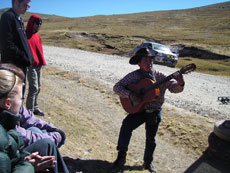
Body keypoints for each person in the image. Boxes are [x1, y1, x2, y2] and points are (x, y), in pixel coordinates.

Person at [112, 48, 185, 172]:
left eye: (150, 60)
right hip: (139, 110)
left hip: (154, 111)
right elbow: (117, 87)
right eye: (145, 60)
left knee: (151, 139)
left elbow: (174, 89)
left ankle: (148, 163)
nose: (149, 63)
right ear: (139, 63)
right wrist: (130, 94)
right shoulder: (134, 75)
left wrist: (180, 82)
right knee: (126, 126)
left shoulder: (160, 76)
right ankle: (121, 157)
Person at [0, 63, 69, 173]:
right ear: (8, 103)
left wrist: (54, 131)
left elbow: (29, 119)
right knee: (46, 144)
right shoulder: (3, 133)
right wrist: (29, 165)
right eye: (21, 98)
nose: (21, 102)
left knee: (36, 131)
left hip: (14, 161)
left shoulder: (6, 117)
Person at [0, 0, 35, 98]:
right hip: (13, 66)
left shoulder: (18, 19)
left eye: (28, 5)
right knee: (13, 96)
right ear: (16, 3)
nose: (27, 8)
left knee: (20, 94)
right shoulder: (8, 17)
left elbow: (22, 43)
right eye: (26, 5)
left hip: (21, 66)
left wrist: (30, 59)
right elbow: (7, 45)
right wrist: (24, 58)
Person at [25, 14, 46, 116]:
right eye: (37, 23)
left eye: (40, 23)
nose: (39, 25)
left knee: (38, 87)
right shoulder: (25, 35)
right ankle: (30, 111)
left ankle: (35, 107)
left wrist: (41, 62)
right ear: (32, 23)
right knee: (33, 87)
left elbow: (39, 51)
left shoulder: (37, 36)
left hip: (38, 65)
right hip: (30, 65)